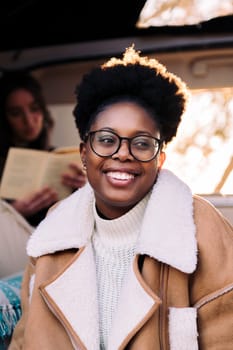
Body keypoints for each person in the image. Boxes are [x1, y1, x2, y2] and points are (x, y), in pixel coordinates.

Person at [9, 46, 233, 349]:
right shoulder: (52, 233)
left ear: (160, 160)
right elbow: (24, 341)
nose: (123, 153)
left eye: (141, 143)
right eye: (106, 140)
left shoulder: (202, 228)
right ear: (84, 154)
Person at [0, 71, 86, 227]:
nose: (28, 120)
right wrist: (13, 212)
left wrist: (86, 189)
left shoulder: (58, 156)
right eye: (16, 113)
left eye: (34, 109)